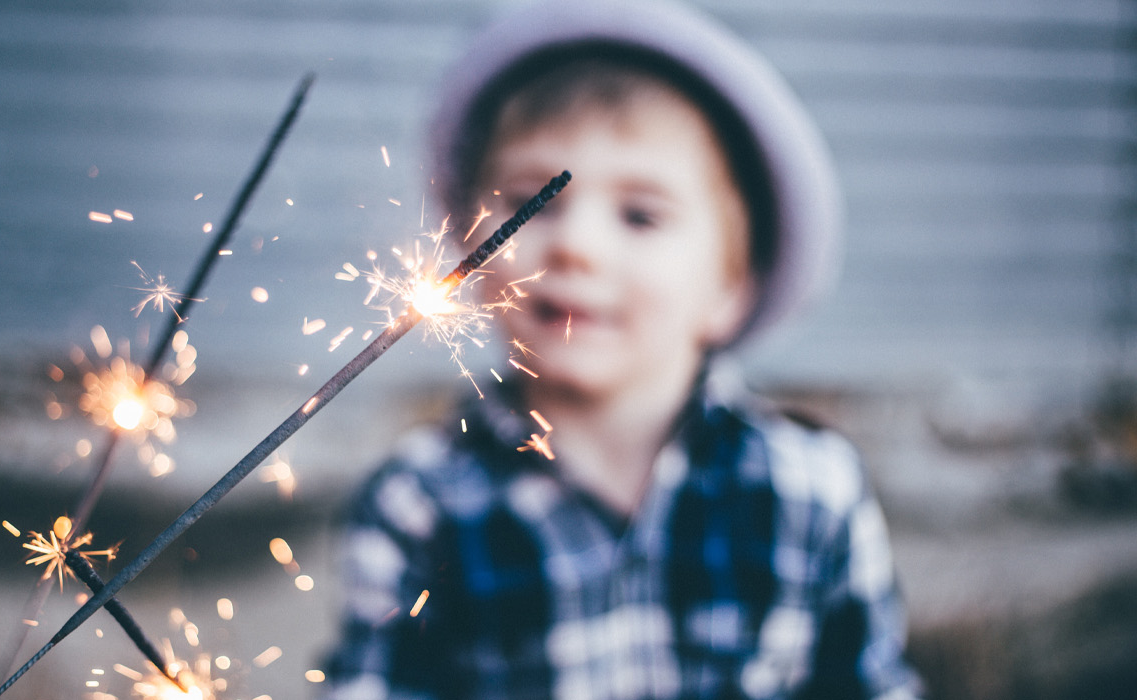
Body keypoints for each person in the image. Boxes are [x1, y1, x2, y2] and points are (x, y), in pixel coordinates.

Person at [324, 1, 921, 698]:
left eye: (640, 214)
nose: (577, 244)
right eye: (532, 202)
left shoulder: (812, 492)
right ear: (471, 250)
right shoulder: (416, 507)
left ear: (731, 283)